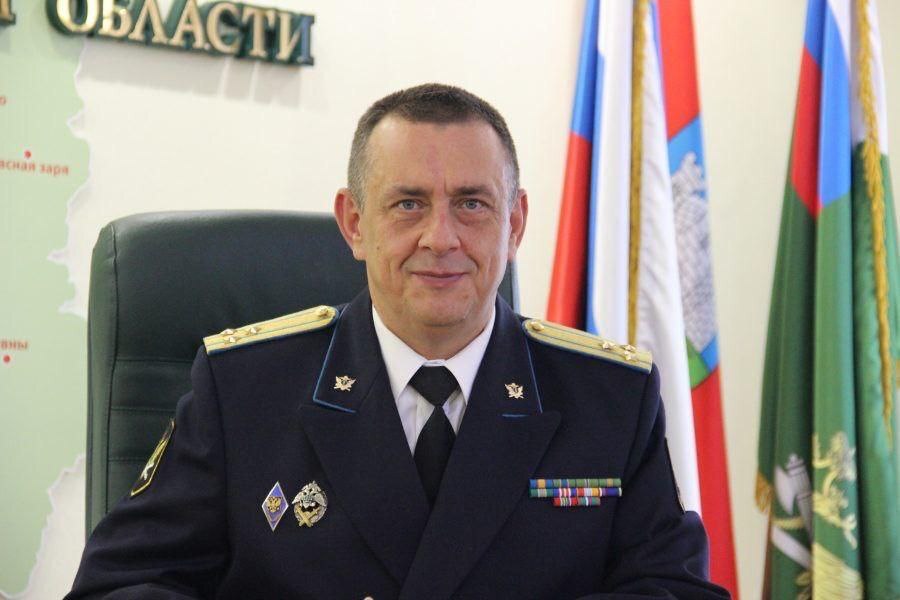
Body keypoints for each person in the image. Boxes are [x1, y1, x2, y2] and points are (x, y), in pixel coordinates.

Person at [67, 83, 730, 599]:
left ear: (515, 224)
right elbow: (121, 587)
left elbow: (672, 590)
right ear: (355, 223)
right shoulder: (244, 388)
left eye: (472, 203)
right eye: (408, 203)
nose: (441, 238)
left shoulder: (610, 399)